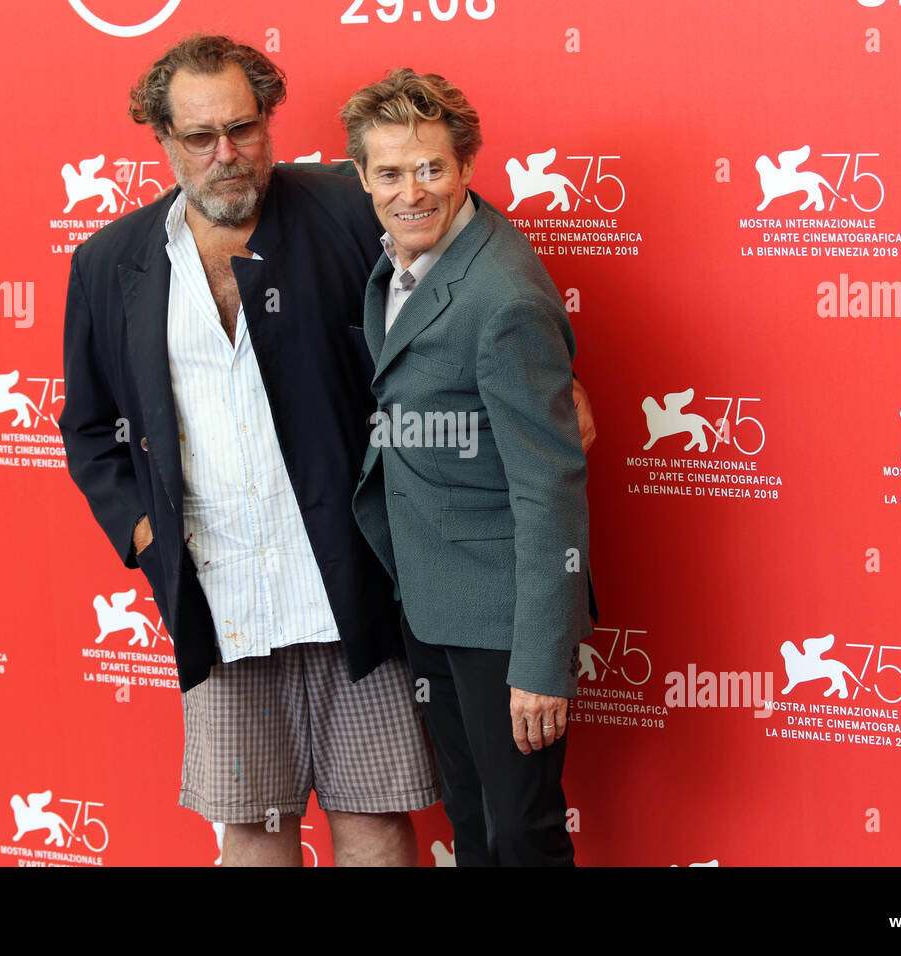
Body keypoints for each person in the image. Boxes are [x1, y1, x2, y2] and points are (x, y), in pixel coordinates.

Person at [59, 35, 442, 866]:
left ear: (269, 122)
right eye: (200, 137)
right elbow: (89, 428)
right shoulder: (106, 265)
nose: (226, 155)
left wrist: (547, 371)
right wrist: (143, 532)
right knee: (253, 831)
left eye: (244, 128)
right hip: (219, 595)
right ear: (161, 139)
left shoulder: (350, 209)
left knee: (374, 825)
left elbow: (465, 263)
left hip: (354, 584)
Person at [345, 69, 594, 866]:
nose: (410, 191)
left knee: (522, 836)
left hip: (502, 617)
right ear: (361, 177)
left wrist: (540, 662)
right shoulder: (402, 257)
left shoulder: (502, 297)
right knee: (473, 827)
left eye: (431, 169)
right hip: (430, 599)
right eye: (389, 172)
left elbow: (548, 487)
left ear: (465, 169)